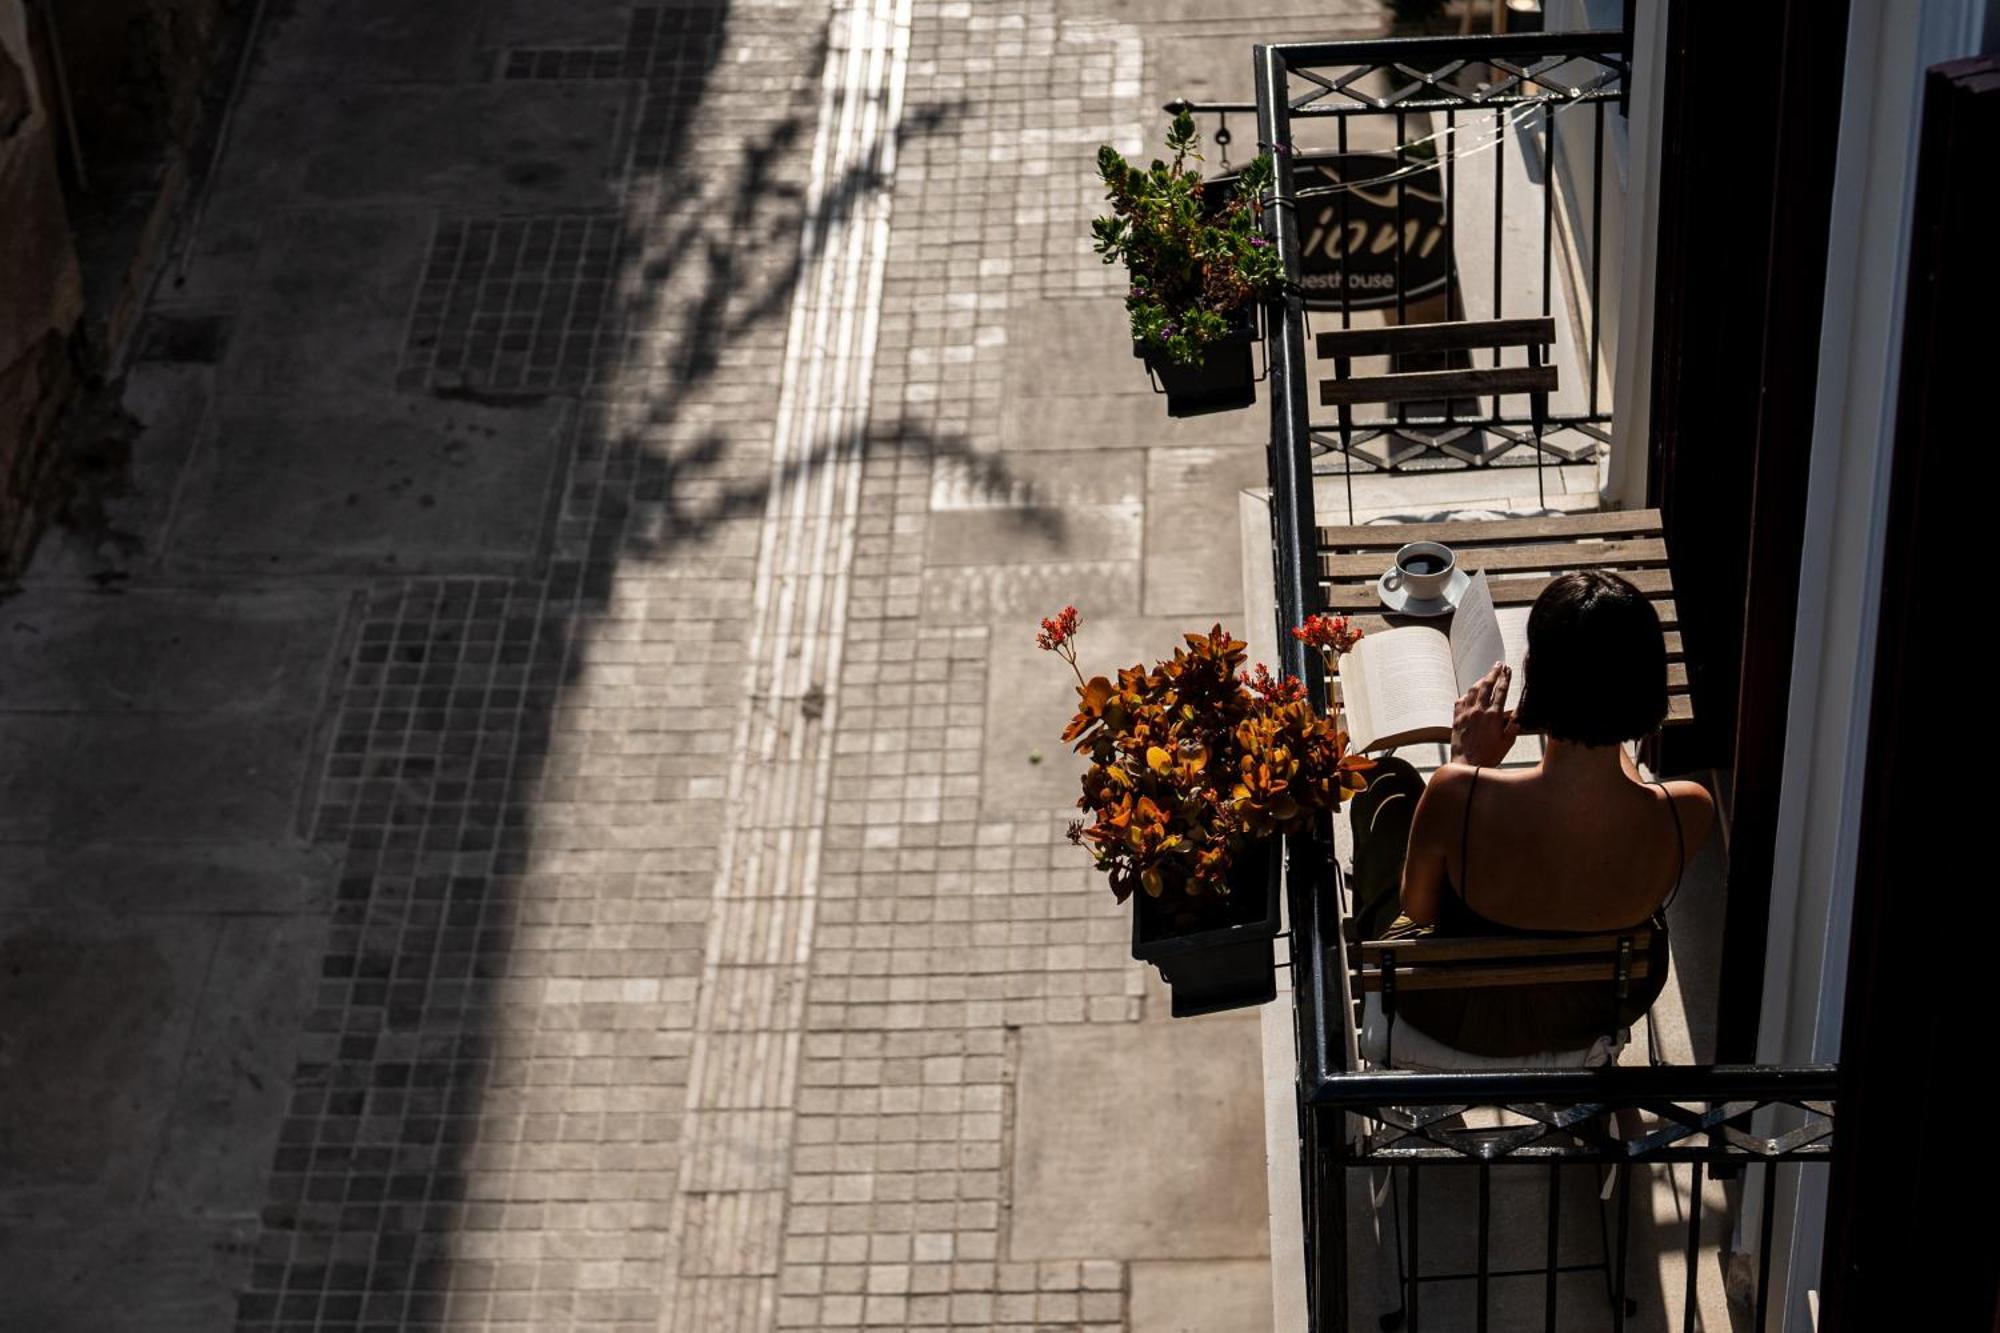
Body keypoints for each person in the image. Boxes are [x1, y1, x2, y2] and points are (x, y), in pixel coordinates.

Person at [1345, 569, 1715, 1058]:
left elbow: (1419, 909)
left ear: (1536, 678)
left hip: (1458, 1014)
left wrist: (1468, 763)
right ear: (1648, 685)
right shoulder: (1687, 811)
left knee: (1386, 783)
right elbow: (1610, 792)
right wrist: (1598, 724)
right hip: (1589, 1012)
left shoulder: (1458, 793)